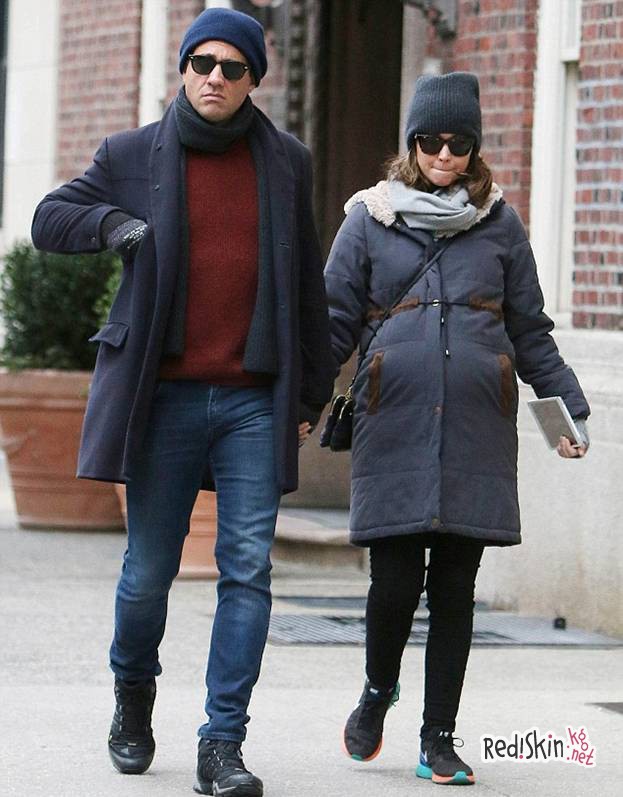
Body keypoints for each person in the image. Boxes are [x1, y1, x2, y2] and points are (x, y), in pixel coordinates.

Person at [31, 8, 333, 796]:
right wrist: (116, 226)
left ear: (253, 79)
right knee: (146, 574)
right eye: (202, 63)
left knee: (248, 569)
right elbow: (49, 219)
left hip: (251, 400)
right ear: (184, 68)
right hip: (161, 397)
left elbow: (307, 283)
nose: (214, 78)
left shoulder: (286, 161)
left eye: (232, 68)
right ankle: (133, 692)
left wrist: (310, 391)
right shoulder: (132, 154)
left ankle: (221, 743)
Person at [323, 72, 590, 786]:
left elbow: (529, 330)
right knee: (393, 583)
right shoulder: (368, 219)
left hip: (477, 426)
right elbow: (332, 324)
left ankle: (437, 737)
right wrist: (298, 403)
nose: (444, 155)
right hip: (394, 421)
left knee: (454, 589)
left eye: (459, 142)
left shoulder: (500, 223)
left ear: (474, 148)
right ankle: (377, 691)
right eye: (431, 141)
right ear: (410, 144)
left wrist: (564, 412)